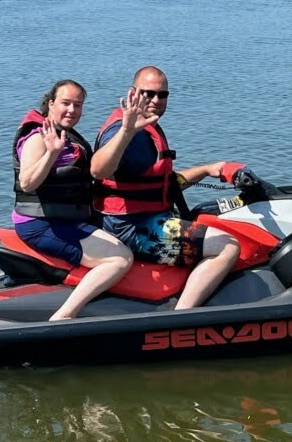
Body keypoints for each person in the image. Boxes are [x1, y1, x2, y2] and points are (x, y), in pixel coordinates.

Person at [91, 66, 240, 310]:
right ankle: (183, 316)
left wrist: (208, 169)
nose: (155, 100)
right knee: (227, 246)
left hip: (145, 219)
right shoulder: (123, 130)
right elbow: (98, 169)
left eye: (162, 94)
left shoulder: (146, 128)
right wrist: (127, 132)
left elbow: (164, 183)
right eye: (148, 93)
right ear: (132, 93)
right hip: (132, 228)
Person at [13, 79, 133, 321]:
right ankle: (64, 315)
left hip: (66, 219)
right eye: (65, 103)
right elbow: (27, 182)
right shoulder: (38, 137)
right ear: (50, 104)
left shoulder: (64, 135)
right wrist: (51, 153)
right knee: (121, 258)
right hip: (41, 224)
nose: (72, 110)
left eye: (77, 105)